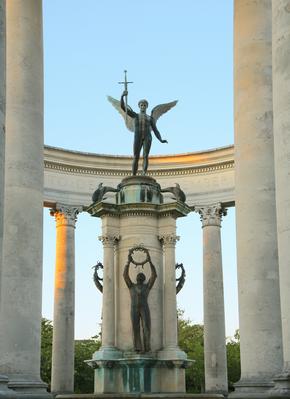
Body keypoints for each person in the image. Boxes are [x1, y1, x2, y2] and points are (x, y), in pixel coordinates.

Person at [121, 90, 168, 175]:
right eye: (141, 105)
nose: (143, 106)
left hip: (147, 137)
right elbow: (123, 108)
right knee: (136, 156)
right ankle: (134, 175)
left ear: (146, 107)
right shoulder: (135, 115)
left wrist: (160, 139)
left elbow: (155, 130)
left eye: (144, 105)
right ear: (139, 106)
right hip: (137, 136)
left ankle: (144, 173)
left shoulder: (150, 118)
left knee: (145, 155)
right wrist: (122, 96)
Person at [123, 254, 157, 352]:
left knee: (146, 327)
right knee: (135, 328)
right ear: (136, 278)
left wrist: (150, 262)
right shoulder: (131, 286)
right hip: (134, 308)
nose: (140, 277)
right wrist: (128, 263)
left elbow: (154, 276)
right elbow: (125, 275)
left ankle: (147, 347)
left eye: (141, 276)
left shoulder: (147, 287)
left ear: (144, 279)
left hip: (144, 308)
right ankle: (137, 347)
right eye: (138, 276)